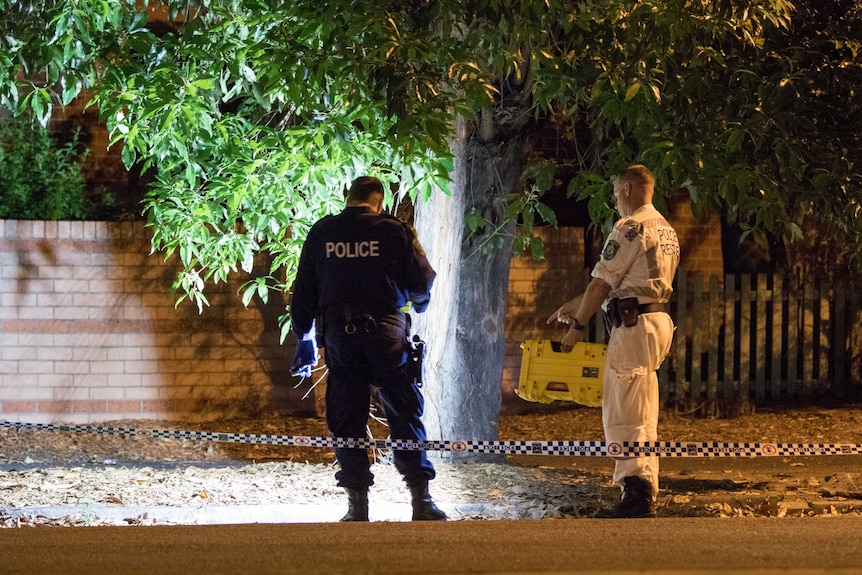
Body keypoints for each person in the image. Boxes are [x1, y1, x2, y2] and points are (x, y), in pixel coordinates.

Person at [289, 175, 447, 522]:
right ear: (378, 201)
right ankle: (421, 501)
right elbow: (421, 284)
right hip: (387, 334)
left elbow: (303, 291)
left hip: (340, 337)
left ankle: (356, 506)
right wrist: (418, 303)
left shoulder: (322, 232)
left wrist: (302, 335)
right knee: (404, 412)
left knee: (346, 417)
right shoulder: (395, 231)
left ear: (349, 198)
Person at [547, 164, 680, 518]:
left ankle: (635, 492)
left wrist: (576, 326)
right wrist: (577, 303)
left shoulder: (630, 227)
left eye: (615, 193)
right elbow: (628, 284)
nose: (615, 203)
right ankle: (645, 486)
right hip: (656, 321)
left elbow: (604, 282)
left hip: (633, 327)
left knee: (624, 410)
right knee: (643, 409)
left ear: (626, 188)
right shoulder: (666, 229)